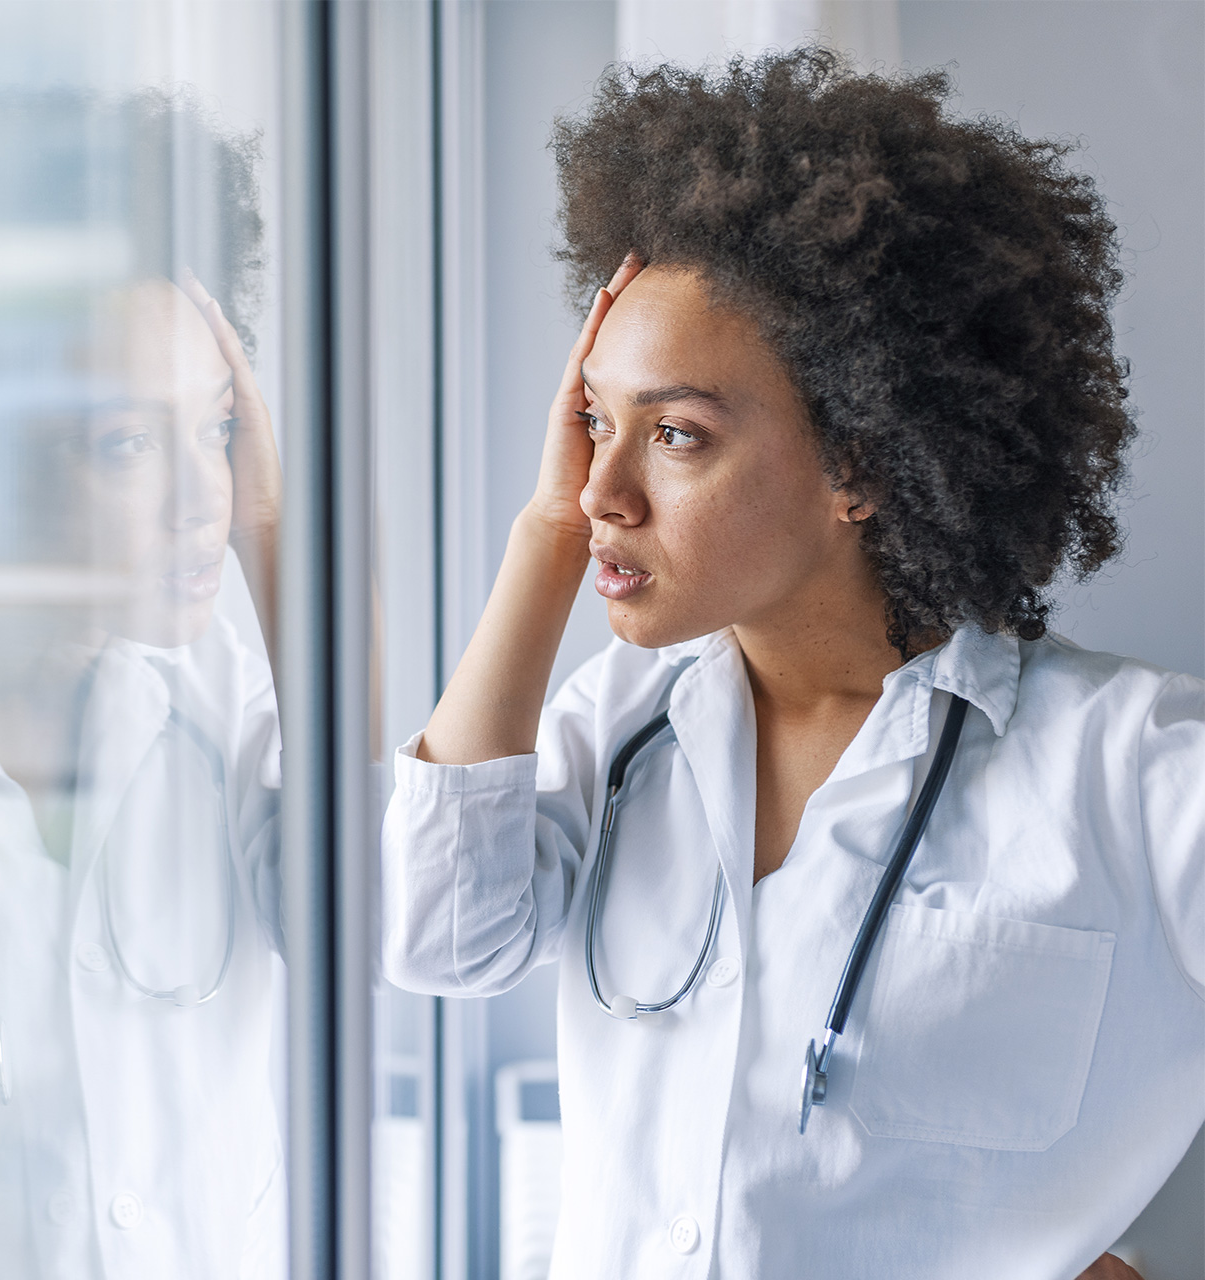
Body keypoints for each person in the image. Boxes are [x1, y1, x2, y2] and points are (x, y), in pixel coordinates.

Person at [380, 50, 1201, 1280]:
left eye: (675, 435)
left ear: (858, 468)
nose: (603, 489)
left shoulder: (1132, 768)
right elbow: (444, 942)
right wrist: (545, 541)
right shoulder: (623, 720)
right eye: (595, 421)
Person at [0, 93, 287, 1279]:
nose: (203, 499)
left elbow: (397, 915)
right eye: (127, 444)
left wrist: (282, 540)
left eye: (215, 429)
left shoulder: (227, 693)